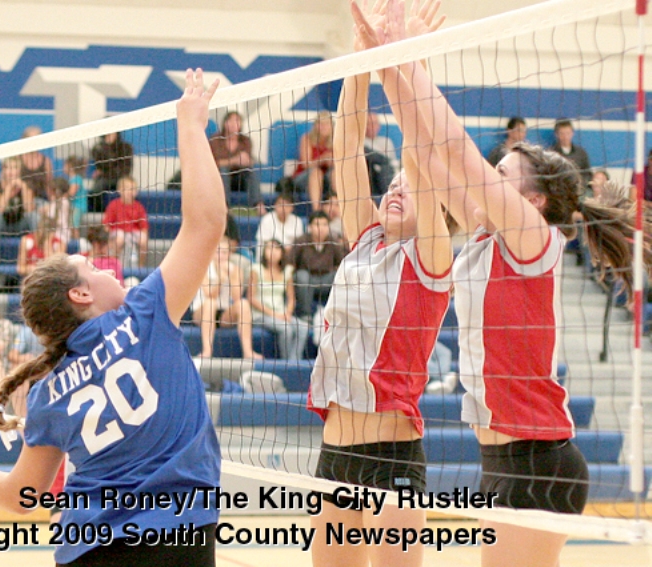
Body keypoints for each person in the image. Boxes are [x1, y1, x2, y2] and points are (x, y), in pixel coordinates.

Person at [358, 2, 648, 565]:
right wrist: (387, 63)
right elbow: (425, 153)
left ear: (531, 200)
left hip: (539, 463)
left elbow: (457, 149)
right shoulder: (486, 235)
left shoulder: (532, 237)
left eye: (501, 175)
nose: (487, 180)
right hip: (499, 460)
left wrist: (411, 56)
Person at [0, 68, 225, 567]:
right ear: (80, 294)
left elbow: (23, 496)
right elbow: (206, 222)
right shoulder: (144, 313)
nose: (105, 267)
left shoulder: (46, 392)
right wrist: (190, 123)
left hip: (86, 548)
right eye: (93, 267)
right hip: (174, 536)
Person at [309, 4, 452, 567]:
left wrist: (411, 61)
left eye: (407, 188)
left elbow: (422, 153)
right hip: (334, 454)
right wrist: (360, 60)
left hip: (391, 456)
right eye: (390, 184)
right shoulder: (364, 240)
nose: (396, 189)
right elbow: (346, 147)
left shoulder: (431, 259)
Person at [191, 235, 262, 360]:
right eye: (217, 252)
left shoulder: (235, 269)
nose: (220, 256)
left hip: (223, 313)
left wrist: (233, 276)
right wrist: (220, 278)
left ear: (229, 254)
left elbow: (236, 297)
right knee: (211, 303)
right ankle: (207, 350)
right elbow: (210, 295)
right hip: (202, 311)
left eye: (224, 252)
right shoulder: (203, 268)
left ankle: (248, 352)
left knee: (243, 304)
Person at [248, 239, 309, 360]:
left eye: (277, 248)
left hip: (281, 313)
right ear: (264, 251)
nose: (273, 252)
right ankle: (286, 363)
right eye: (269, 248)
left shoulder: (287, 271)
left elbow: (291, 298)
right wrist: (274, 314)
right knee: (285, 329)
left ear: (282, 252)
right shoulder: (256, 269)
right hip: (260, 314)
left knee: (303, 327)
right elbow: (251, 298)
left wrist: (288, 313)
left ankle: (294, 361)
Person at [288, 211, 347, 320]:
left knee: (340, 275)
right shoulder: (301, 241)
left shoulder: (333, 242)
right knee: (301, 276)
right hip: (307, 281)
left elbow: (341, 263)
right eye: (317, 225)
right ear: (310, 227)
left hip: (325, 280)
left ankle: (338, 315)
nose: (321, 228)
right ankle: (306, 315)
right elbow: (290, 263)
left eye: (325, 225)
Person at [0, 156, 37, 265]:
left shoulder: (27, 185)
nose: (11, 172)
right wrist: (8, 189)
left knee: (34, 216)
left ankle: (40, 252)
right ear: (3, 170)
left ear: (19, 171)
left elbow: (29, 209)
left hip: (21, 224)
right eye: (8, 168)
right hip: (4, 224)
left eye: (15, 168)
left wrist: (23, 188)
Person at [209, 111, 264, 213]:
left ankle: (259, 205)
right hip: (219, 179)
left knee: (250, 170)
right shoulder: (215, 140)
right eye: (231, 120)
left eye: (237, 121)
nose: (234, 124)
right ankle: (224, 205)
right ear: (225, 123)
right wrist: (234, 160)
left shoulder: (245, 141)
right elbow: (213, 164)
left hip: (239, 179)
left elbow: (247, 161)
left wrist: (246, 160)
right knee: (224, 170)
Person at [103, 176, 149, 268]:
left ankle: (140, 266)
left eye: (133, 189)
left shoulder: (139, 207)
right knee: (120, 238)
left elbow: (144, 226)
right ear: (120, 190)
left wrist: (144, 236)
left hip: (133, 232)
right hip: (117, 232)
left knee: (143, 240)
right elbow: (106, 225)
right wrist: (107, 239)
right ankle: (114, 263)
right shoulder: (113, 205)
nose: (130, 192)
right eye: (127, 189)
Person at [293, 111, 334, 211]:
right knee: (316, 173)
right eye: (320, 124)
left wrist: (332, 162)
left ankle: (337, 206)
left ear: (332, 126)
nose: (323, 127)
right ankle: (317, 211)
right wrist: (323, 159)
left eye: (326, 124)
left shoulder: (336, 141)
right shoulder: (307, 138)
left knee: (336, 173)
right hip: (304, 177)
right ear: (315, 125)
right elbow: (306, 164)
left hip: (326, 179)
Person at [90, 131, 134, 213]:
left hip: (120, 177)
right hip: (105, 178)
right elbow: (101, 164)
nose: (109, 135)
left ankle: (129, 211)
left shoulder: (126, 147)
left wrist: (105, 171)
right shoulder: (99, 148)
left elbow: (124, 169)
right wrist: (107, 146)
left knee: (129, 186)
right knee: (97, 188)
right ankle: (101, 212)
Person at [255, 192, 305, 257]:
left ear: (292, 207)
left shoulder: (297, 221)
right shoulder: (267, 219)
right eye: (280, 204)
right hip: (271, 256)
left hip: (290, 257)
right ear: (275, 205)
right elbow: (262, 244)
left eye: (287, 205)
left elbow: (299, 245)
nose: (283, 208)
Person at [17, 213, 63, 278]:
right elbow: (20, 268)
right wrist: (30, 269)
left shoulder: (58, 243)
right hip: (31, 277)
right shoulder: (26, 240)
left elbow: (57, 269)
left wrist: (47, 244)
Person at [550, 118, 592, 186]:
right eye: (562, 133)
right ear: (556, 134)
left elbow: (588, 174)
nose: (565, 137)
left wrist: (579, 184)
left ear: (572, 133)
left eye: (568, 133)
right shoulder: (550, 153)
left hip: (578, 188)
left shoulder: (581, 153)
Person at [364, 112, 397, 198]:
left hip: (386, 173)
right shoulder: (362, 143)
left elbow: (392, 162)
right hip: (370, 176)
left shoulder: (386, 141)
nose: (371, 126)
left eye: (374, 123)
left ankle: (389, 195)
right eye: (368, 123)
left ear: (379, 125)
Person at [19, 126, 53, 203]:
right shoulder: (18, 159)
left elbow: (48, 184)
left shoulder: (46, 161)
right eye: (31, 139)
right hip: (20, 200)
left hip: (40, 199)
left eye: (37, 139)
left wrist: (53, 202)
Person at [65, 155, 88, 235]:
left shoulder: (77, 178)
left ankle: (76, 241)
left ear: (70, 167)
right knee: (70, 226)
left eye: (65, 165)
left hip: (78, 207)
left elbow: (72, 192)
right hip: (73, 207)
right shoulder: (71, 179)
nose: (63, 168)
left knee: (74, 227)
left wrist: (62, 196)